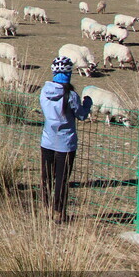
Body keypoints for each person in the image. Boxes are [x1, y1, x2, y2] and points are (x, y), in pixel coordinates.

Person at [39, 56, 93, 222]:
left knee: (47, 176)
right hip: (66, 144)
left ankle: (46, 208)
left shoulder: (44, 92)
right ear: (69, 73)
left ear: (54, 72)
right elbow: (82, 115)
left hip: (47, 141)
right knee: (62, 179)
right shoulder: (71, 96)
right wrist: (88, 104)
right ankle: (58, 211)